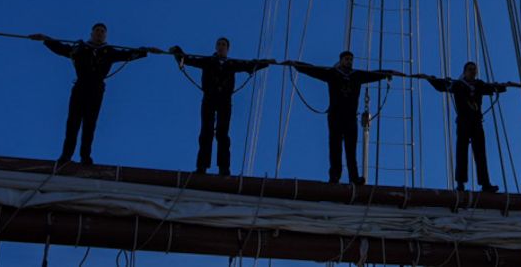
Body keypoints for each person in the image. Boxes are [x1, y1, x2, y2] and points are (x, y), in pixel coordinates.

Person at [29, 22, 152, 165]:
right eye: (97, 31)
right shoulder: (80, 49)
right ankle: (66, 156)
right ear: (92, 33)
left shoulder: (109, 52)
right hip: (81, 87)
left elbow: (128, 55)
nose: (100, 33)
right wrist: (46, 39)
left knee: (90, 124)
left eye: (102, 32)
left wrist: (144, 51)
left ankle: (85, 156)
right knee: (73, 123)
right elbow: (62, 48)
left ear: (105, 36)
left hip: (96, 89)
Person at [285, 51, 395, 184]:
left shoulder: (357, 76)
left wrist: (387, 73)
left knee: (351, 149)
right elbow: (313, 70)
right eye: (347, 59)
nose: (349, 62)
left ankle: (354, 178)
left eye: (351, 60)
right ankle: (335, 176)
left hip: (350, 117)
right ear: (341, 61)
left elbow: (373, 75)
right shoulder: (332, 74)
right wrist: (297, 65)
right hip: (336, 116)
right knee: (335, 147)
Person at [169, 38, 273, 176]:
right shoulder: (207, 61)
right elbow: (189, 59)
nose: (221, 46)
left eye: (223, 44)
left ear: (227, 48)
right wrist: (178, 52)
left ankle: (224, 168)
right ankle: (202, 166)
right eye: (219, 44)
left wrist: (265, 63)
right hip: (210, 98)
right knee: (206, 131)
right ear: (216, 47)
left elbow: (248, 65)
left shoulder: (231, 63)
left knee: (222, 134)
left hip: (225, 100)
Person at [426, 61, 512, 193]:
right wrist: (430, 79)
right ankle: (460, 183)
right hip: (463, 122)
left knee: (480, 153)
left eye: (474, 69)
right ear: (464, 71)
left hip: (476, 122)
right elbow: (441, 86)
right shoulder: (458, 85)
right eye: (470, 69)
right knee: (462, 151)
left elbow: (492, 88)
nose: (473, 72)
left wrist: (503, 86)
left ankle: (485, 183)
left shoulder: (479, 85)